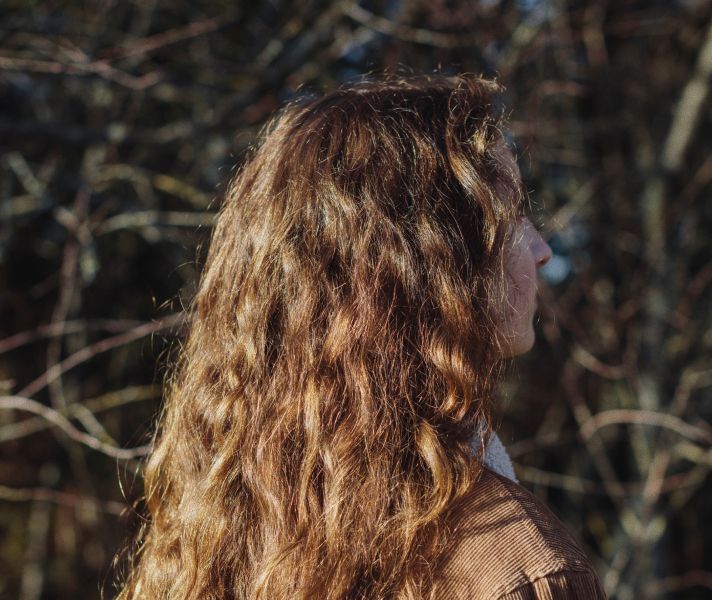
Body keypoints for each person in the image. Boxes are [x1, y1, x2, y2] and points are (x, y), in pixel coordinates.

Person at [114, 73, 606, 600]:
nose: (542, 250)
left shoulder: (230, 516)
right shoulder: (516, 571)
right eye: (508, 218)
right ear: (424, 266)